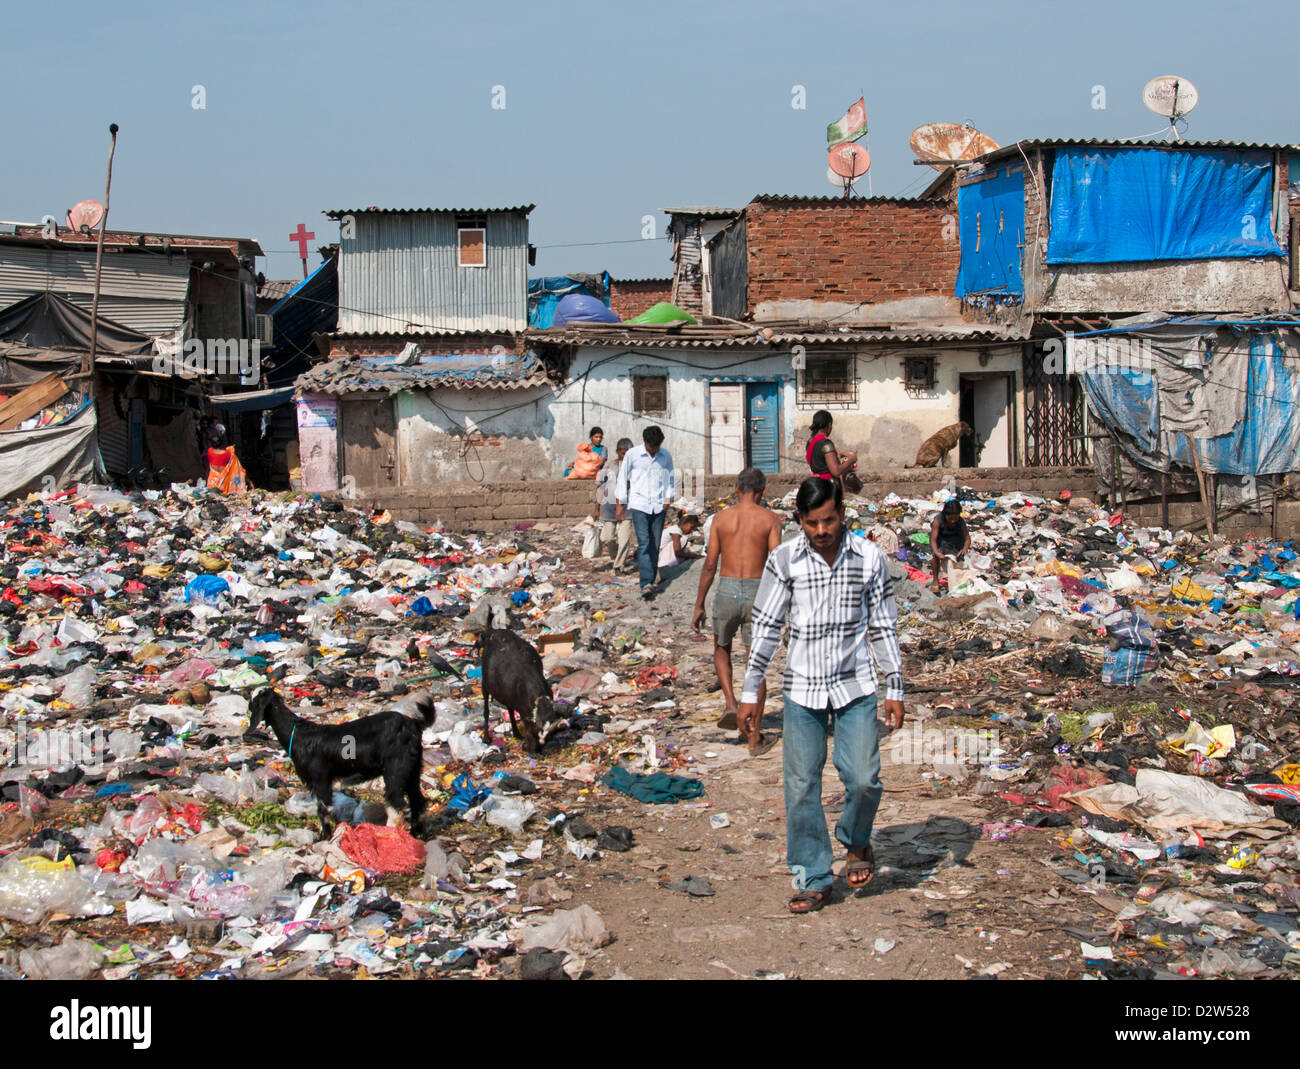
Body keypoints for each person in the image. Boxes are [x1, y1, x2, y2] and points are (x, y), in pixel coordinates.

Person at [737, 477, 905, 914]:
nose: (821, 531)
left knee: (864, 778)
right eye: (812, 523)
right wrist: (751, 690)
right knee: (801, 785)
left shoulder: (869, 558)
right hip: (802, 687)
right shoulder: (784, 560)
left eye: (828, 520)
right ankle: (813, 875)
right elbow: (767, 626)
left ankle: (856, 841)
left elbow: (883, 625)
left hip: (856, 684)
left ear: (842, 514)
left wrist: (896, 685)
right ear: (799, 521)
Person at [690, 467, 783, 748]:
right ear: (763, 490)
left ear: (735, 487)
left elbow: (710, 564)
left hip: (727, 589)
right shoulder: (771, 520)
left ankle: (731, 701)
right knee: (756, 662)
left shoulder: (721, 519)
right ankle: (754, 734)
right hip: (758, 591)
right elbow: (777, 565)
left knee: (721, 648)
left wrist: (699, 604)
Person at [615, 426, 674, 599]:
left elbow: (670, 478)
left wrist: (668, 499)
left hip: (659, 505)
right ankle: (646, 583)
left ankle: (651, 577)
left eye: (657, 447)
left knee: (655, 544)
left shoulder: (665, 456)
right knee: (644, 543)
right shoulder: (632, 455)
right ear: (645, 442)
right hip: (639, 505)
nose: (654, 450)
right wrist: (620, 504)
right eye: (651, 447)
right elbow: (621, 479)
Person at [597, 438, 633, 568]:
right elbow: (600, 487)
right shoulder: (609, 466)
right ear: (618, 452)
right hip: (610, 507)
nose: (626, 456)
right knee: (607, 537)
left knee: (624, 539)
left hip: (628, 508)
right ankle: (616, 554)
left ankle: (619, 565)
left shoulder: (634, 468)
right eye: (623, 453)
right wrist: (597, 508)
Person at [929, 498, 971, 593]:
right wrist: (937, 552)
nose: (953, 521)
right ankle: (935, 581)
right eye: (950, 518)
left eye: (955, 518)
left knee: (959, 559)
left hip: (955, 540)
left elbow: (967, 538)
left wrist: (964, 549)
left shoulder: (960, 522)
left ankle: (956, 581)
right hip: (941, 539)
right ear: (945, 515)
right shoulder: (938, 520)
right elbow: (933, 539)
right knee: (935, 557)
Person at [806, 410, 857, 487]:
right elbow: (836, 471)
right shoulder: (826, 444)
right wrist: (851, 460)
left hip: (816, 484)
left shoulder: (811, 441)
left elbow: (820, 457)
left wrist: (839, 454)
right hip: (828, 486)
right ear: (829, 425)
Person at [205, 424, 248, 493]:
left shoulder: (209, 452)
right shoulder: (229, 454)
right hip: (226, 487)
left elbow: (207, 469)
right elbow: (238, 469)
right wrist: (248, 481)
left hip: (212, 485)